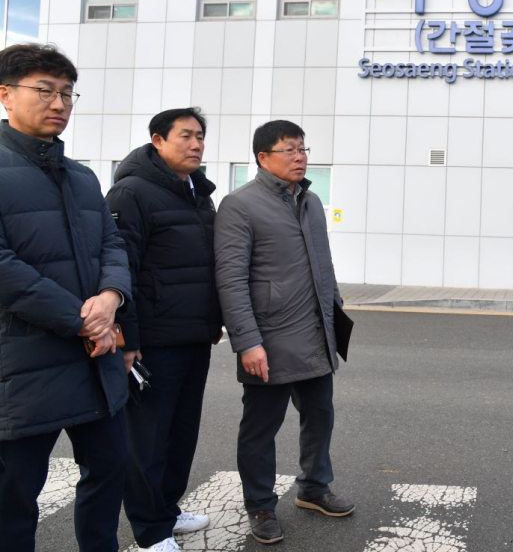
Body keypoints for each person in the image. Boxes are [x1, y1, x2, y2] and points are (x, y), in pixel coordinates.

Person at [0, 43, 132, 551]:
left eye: (67, 93)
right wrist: (81, 319)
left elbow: (111, 244)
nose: (59, 102)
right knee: (16, 494)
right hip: (24, 361)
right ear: (6, 95)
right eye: (45, 90)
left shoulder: (81, 176)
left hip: (94, 361)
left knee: (110, 468)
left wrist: (111, 295)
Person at [214, 120, 352, 545]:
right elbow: (230, 279)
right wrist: (247, 341)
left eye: (303, 149)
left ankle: (313, 488)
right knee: (260, 429)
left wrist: (336, 307)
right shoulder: (240, 205)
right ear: (263, 158)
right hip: (268, 341)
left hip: (315, 333)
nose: (300, 157)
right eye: (289, 150)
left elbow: (322, 263)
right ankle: (260, 505)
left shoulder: (310, 201)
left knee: (320, 417)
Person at [106, 107, 223, 552]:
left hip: (194, 335)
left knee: (181, 433)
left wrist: (213, 321)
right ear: (157, 140)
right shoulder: (131, 192)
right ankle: (150, 530)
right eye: (186, 137)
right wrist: (128, 340)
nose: (196, 145)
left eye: (200, 138)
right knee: (148, 438)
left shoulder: (197, 193)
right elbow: (121, 269)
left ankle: (168, 509)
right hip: (154, 340)